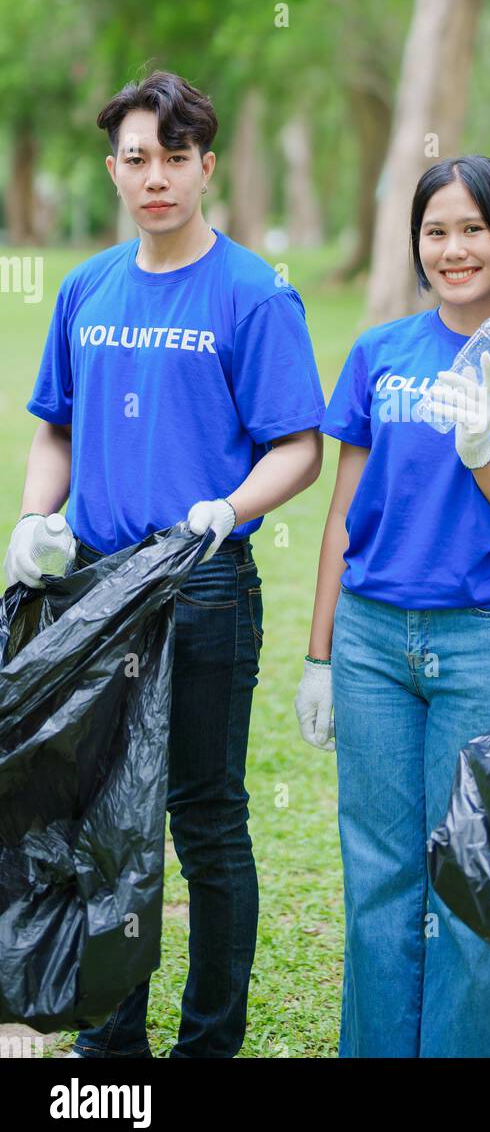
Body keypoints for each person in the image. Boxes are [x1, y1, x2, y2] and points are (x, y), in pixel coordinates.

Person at [3, 70, 326, 1058]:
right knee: (102, 815)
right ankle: (112, 1040)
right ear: (114, 170)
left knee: (204, 818)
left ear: (206, 167)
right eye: (137, 160)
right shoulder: (86, 286)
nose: (156, 178)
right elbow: (54, 428)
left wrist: (229, 508)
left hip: (202, 586)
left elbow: (300, 445)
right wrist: (32, 519)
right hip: (96, 590)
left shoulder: (254, 292)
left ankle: (208, 1042)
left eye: (175, 159)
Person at [295, 155, 490, 1057]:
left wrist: (480, 449)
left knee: (469, 876)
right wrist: (318, 656)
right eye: (436, 231)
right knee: (380, 876)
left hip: (480, 647)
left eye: (474, 229)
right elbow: (344, 516)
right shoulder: (380, 352)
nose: (454, 249)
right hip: (374, 642)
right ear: (415, 243)